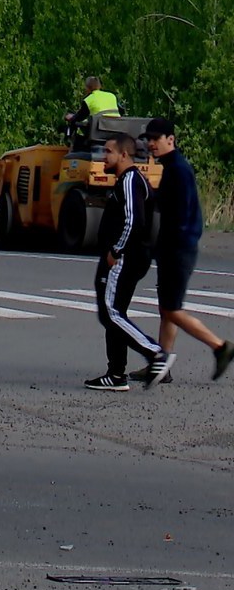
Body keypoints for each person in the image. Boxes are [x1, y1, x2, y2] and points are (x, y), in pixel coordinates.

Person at [128, 118, 234, 383]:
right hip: (174, 248)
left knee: (172, 310)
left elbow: (183, 214)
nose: (151, 144)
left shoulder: (179, 169)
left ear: (170, 139)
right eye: (148, 139)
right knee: (167, 308)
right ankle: (161, 365)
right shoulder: (172, 167)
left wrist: (166, 245)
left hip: (178, 249)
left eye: (156, 138)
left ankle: (220, 347)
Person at [86, 133, 175, 391]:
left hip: (126, 257)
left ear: (123, 155)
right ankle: (116, 374)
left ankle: (156, 355)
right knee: (114, 313)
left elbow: (134, 220)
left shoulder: (130, 179)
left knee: (111, 312)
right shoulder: (128, 181)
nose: (104, 157)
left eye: (108, 152)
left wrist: (116, 250)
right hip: (128, 256)